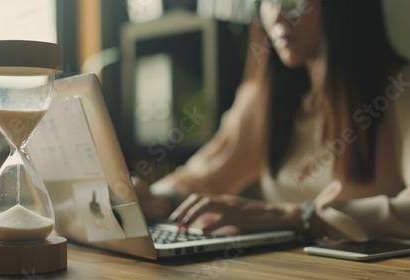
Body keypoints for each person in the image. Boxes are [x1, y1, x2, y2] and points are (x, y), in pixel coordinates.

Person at [134, 0, 410, 242]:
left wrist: (297, 216)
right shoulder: (264, 100)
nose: (276, 17)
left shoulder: (399, 91)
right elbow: (203, 177)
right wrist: (158, 199)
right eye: (267, 1)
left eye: (292, 1)